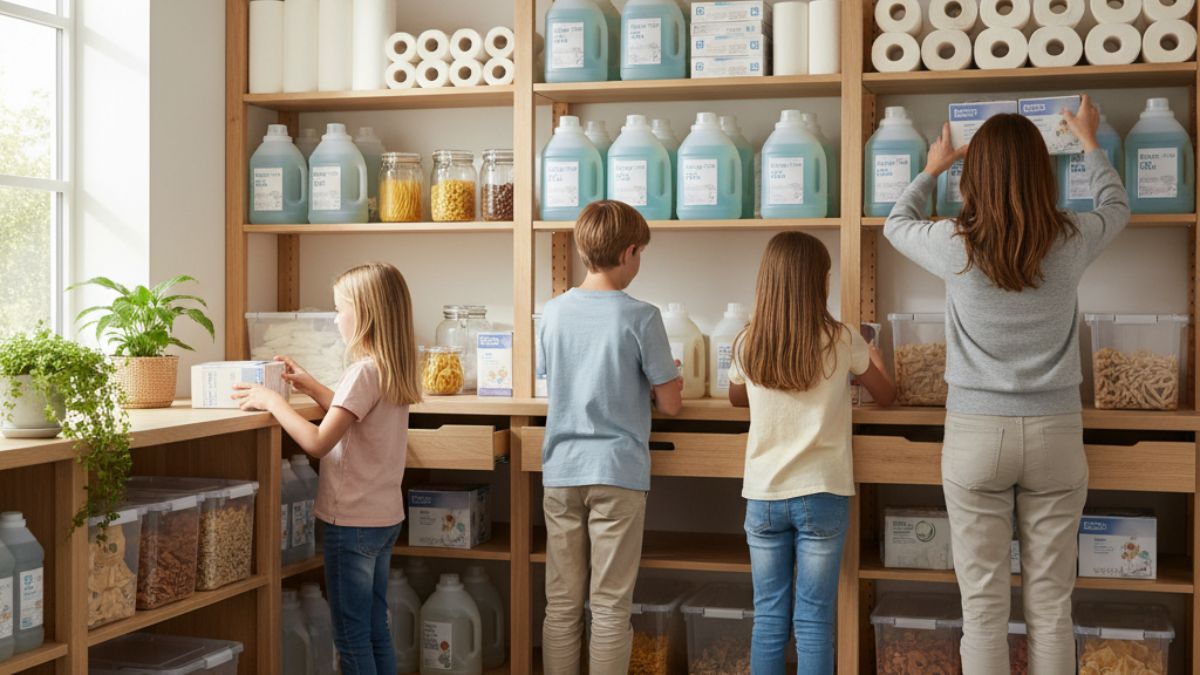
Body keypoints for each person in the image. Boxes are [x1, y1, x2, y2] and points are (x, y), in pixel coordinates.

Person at [883, 95, 1129, 674]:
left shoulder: (954, 242)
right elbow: (1117, 206)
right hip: (1056, 432)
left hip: (975, 433)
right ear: (1042, 174)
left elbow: (895, 224)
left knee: (984, 608)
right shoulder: (1071, 237)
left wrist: (931, 167)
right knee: (1051, 604)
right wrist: (1090, 142)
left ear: (976, 178)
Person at [233, 261, 421, 675]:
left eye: (340, 309)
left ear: (365, 313)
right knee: (375, 626)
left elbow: (319, 442)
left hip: (350, 523)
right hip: (383, 519)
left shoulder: (362, 371)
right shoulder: (390, 369)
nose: (336, 318)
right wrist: (313, 385)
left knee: (350, 634)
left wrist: (273, 401)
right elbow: (356, 416)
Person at [728, 231, 894, 674]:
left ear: (768, 282)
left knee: (768, 619)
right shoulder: (841, 339)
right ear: (821, 282)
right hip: (822, 493)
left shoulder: (747, 342)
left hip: (763, 495)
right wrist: (872, 357)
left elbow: (735, 398)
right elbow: (886, 396)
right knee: (814, 621)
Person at [538, 200, 684, 675]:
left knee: (560, 602)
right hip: (618, 474)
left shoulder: (553, 313)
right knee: (609, 605)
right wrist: (665, 377)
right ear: (629, 252)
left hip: (561, 472)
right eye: (640, 255)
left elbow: (557, 377)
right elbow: (671, 404)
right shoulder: (641, 316)